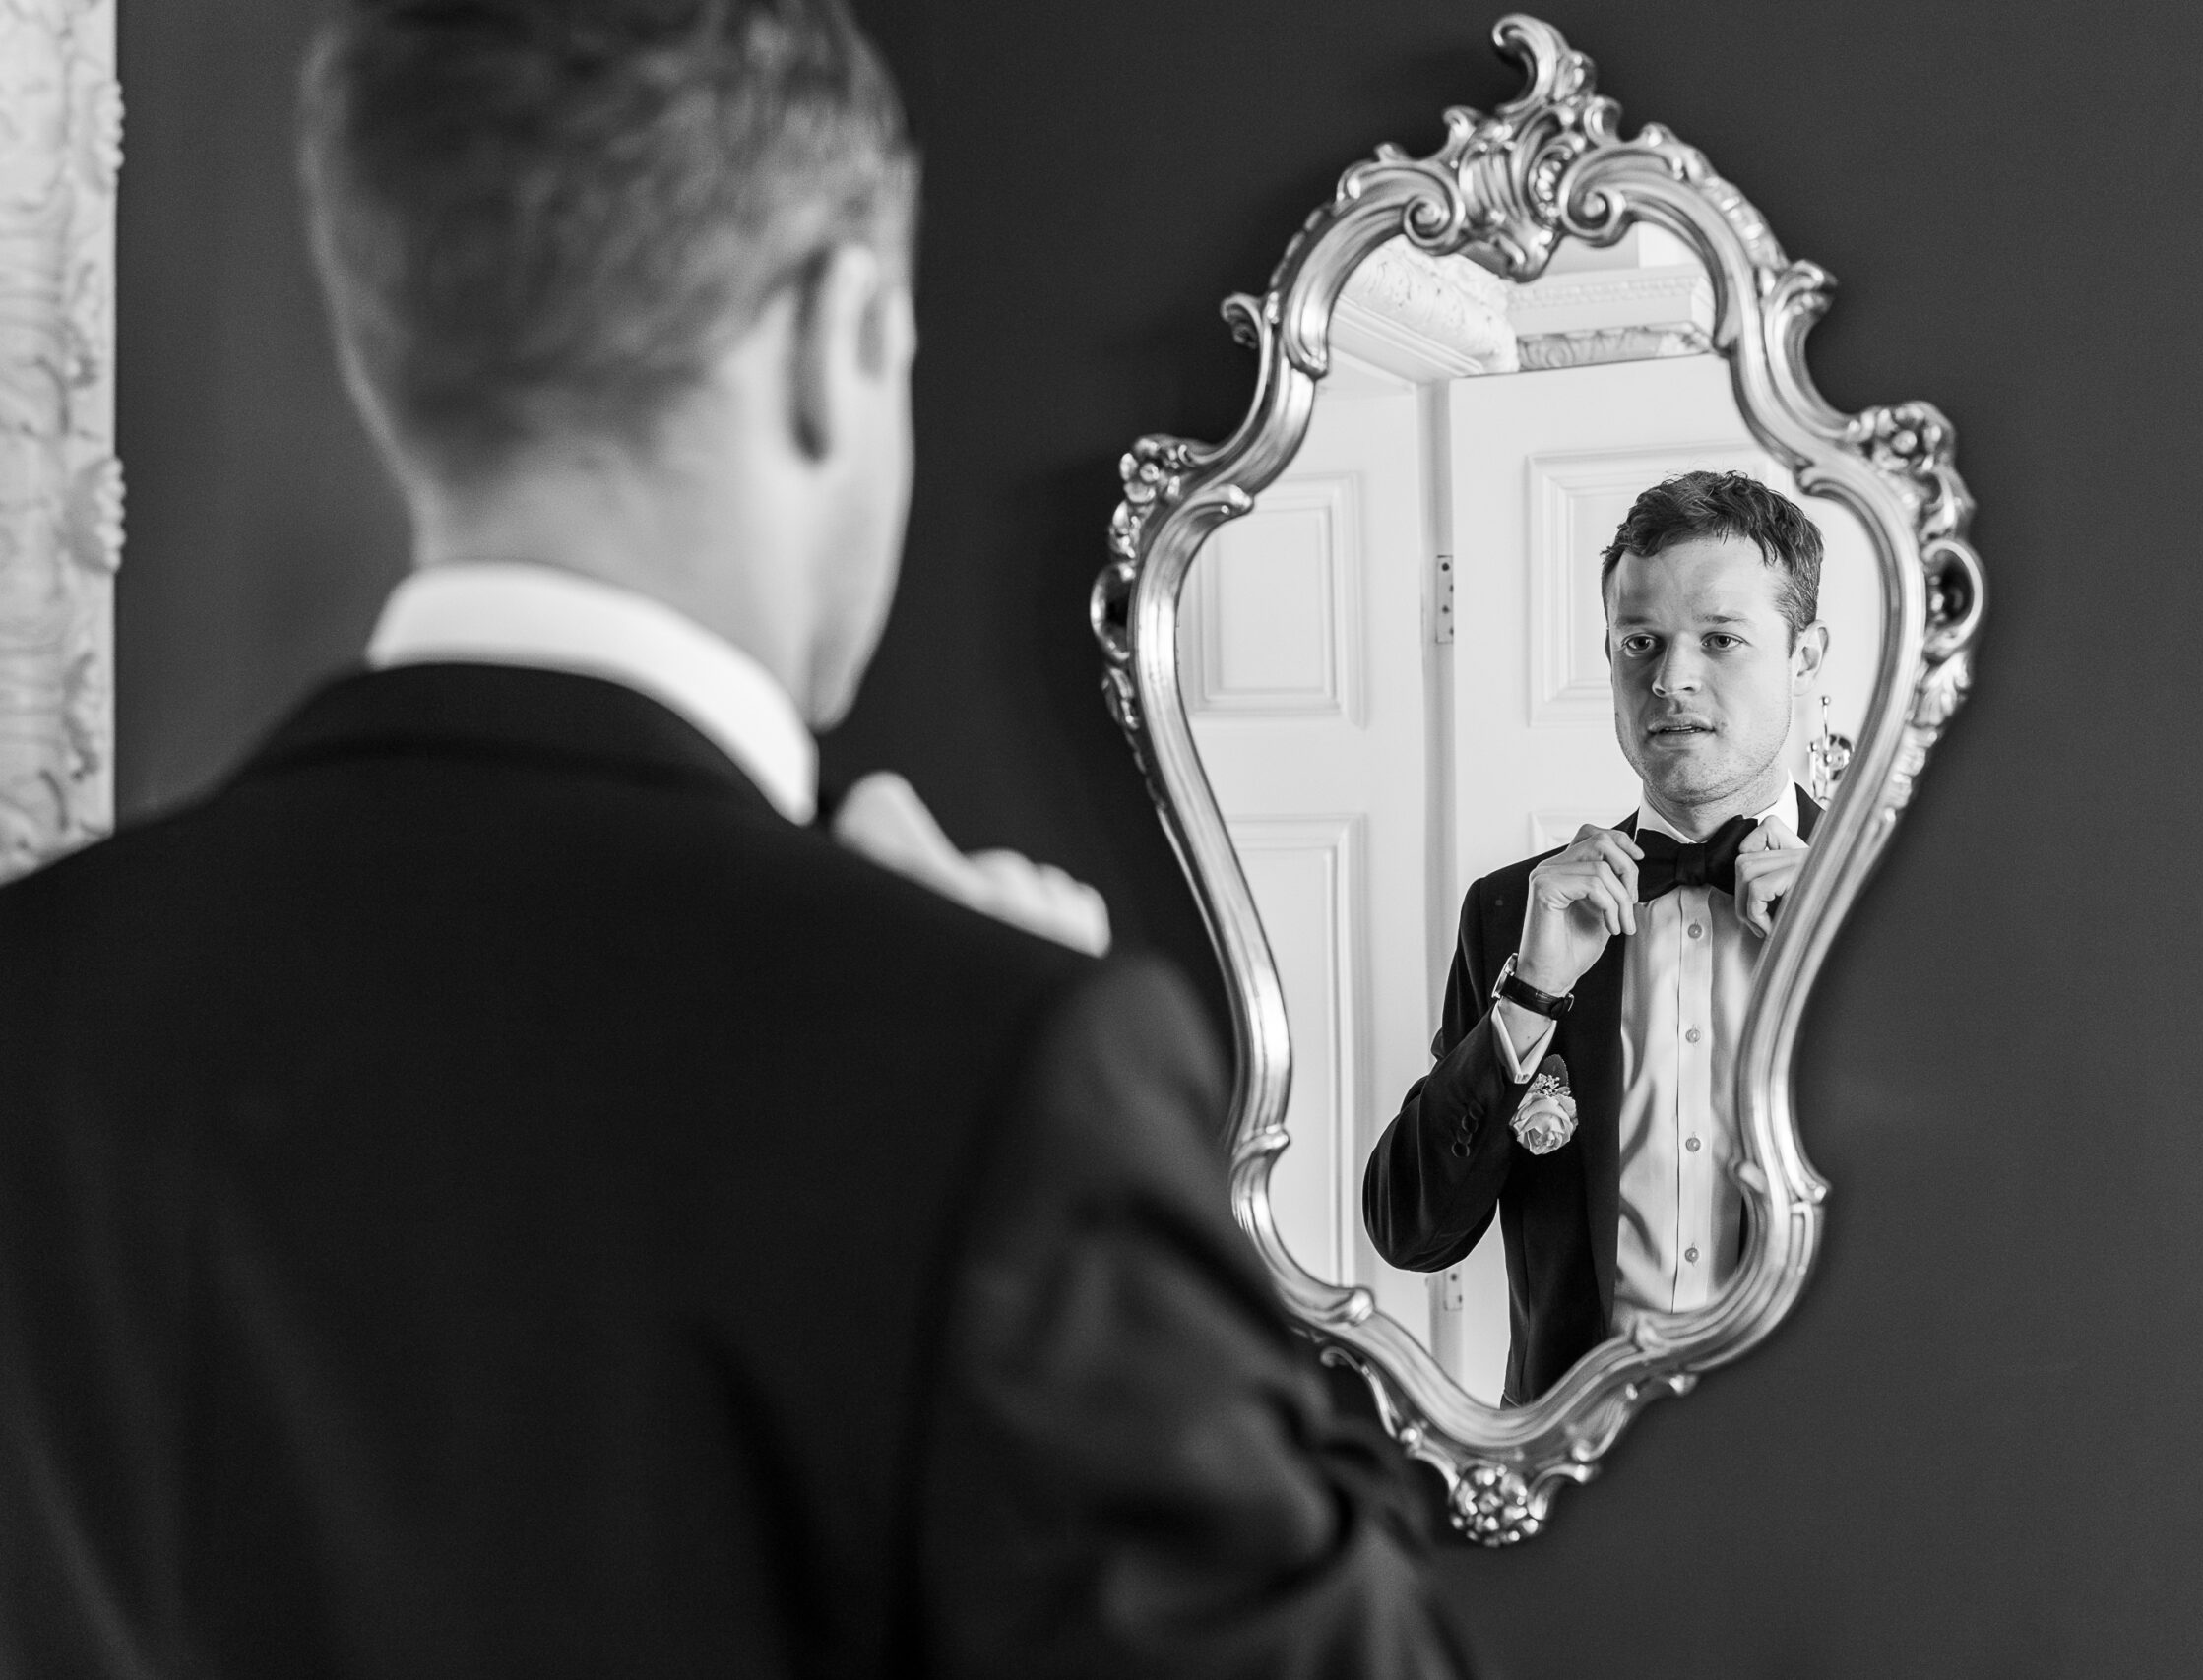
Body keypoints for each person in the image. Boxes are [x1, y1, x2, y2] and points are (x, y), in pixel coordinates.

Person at [0, 4, 1479, 1674]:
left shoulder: (37, 1005)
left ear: (384, 343)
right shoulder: (996, 1069)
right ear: (838, 339)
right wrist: (1046, 1092)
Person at [1364, 471, 1828, 1407]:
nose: (1672, 679)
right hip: (1577, 1471)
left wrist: (1838, 956)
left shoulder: (1892, 897)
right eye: (1640, 643)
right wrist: (1529, 994)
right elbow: (1414, 1232)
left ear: (1806, 657)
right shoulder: (1510, 914)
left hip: (1835, 1455)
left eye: (1721, 639)